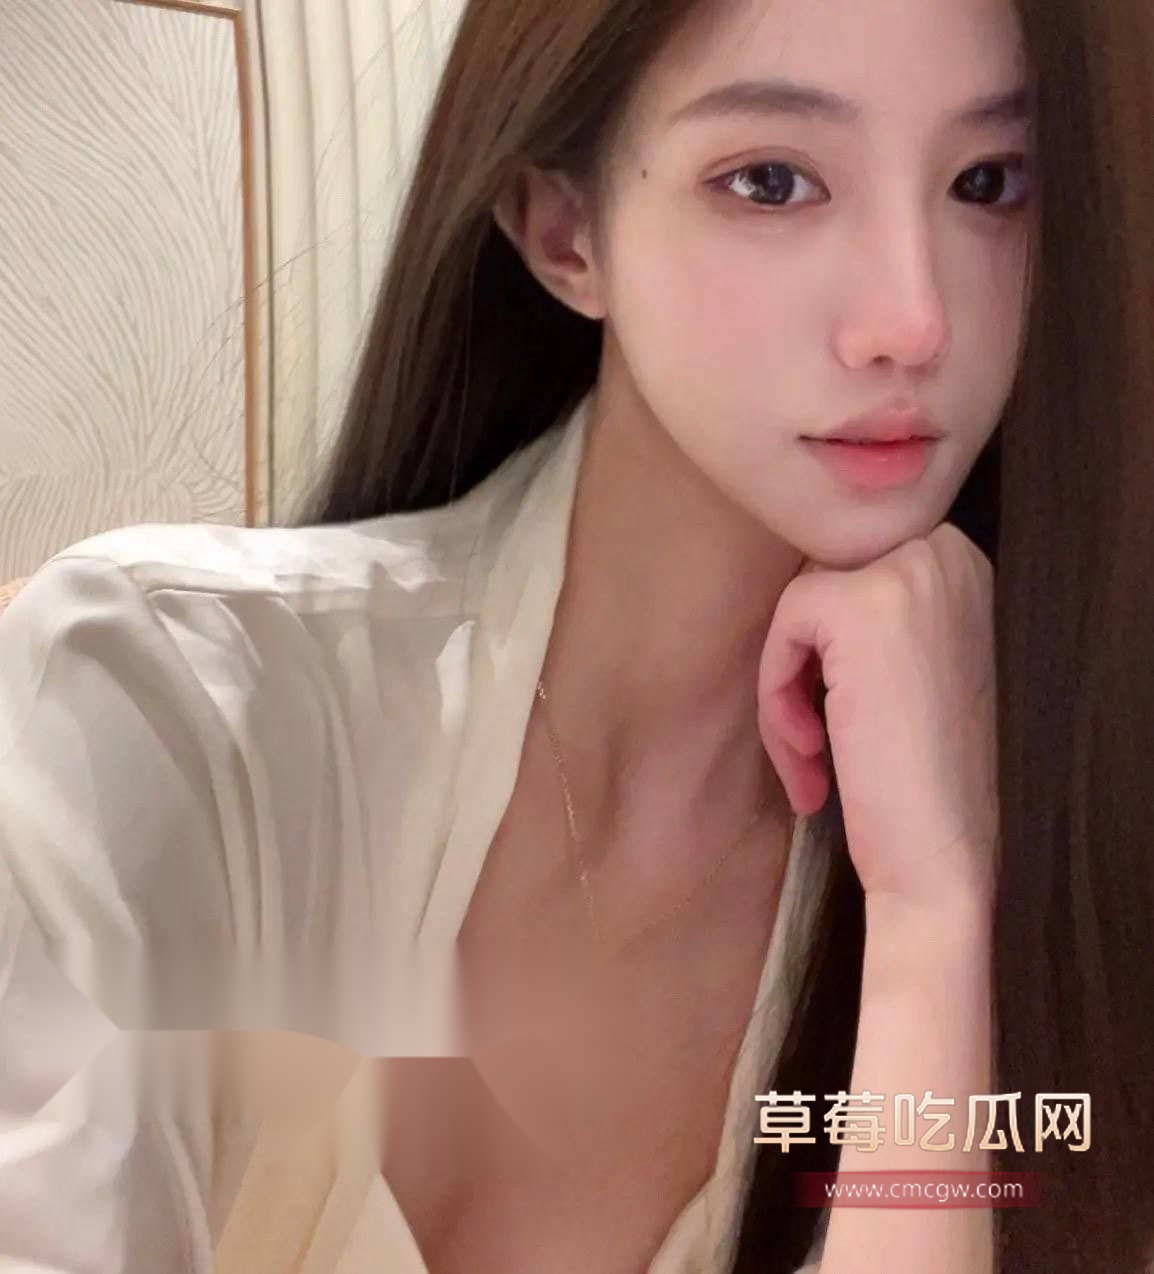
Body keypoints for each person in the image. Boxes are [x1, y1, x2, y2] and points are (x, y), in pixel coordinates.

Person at [1, 0, 1154, 1269]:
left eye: (986, 183)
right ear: (563, 230)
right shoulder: (167, 697)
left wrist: (933, 911)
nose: (911, 320)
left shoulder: (1059, 851)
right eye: (771, 181)